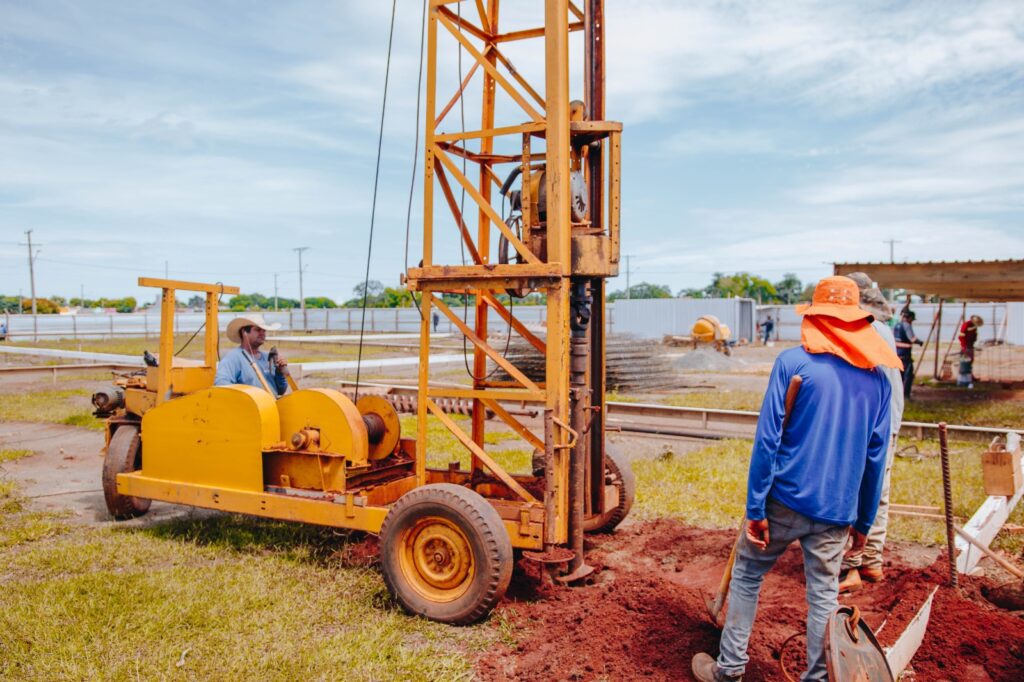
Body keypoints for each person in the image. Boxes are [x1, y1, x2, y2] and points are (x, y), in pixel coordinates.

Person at [692, 276, 899, 682]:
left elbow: (767, 440)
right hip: (838, 510)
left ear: (817, 318)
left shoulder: (793, 364)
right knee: (823, 593)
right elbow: (876, 458)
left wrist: (756, 508)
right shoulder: (878, 381)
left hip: (784, 500)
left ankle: (729, 669)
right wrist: (864, 522)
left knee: (748, 576)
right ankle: (818, 678)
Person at [838, 273, 905, 593]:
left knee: (853, 491)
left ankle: (849, 564)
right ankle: (871, 561)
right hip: (888, 420)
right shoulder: (882, 329)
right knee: (878, 492)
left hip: (866, 423)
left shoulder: (863, 329)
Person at [214, 314, 289, 397]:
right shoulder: (233, 358)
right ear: (244, 332)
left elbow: (280, 390)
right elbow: (221, 384)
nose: (262, 333)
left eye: (264, 330)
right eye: (258, 330)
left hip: (272, 404)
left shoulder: (267, 357)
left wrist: (279, 373)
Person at [893, 309, 923, 399]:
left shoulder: (897, 325)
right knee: (908, 375)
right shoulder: (907, 326)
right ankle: (906, 395)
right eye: (912, 320)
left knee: (899, 376)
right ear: (909, 318)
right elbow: (912, 339)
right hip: (905, 354)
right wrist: (920, 342)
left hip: (897, 354)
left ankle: (897, 394)